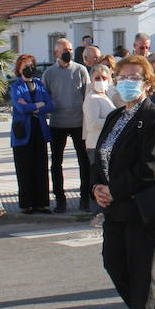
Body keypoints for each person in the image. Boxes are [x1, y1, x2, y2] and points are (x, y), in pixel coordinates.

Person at [91, 55, 155, 309]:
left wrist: (115, 189)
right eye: (122, 76)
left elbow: (152, 167)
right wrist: (97, 188)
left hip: (145, 207)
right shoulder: (115, 117)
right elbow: (100, 157)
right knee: (114, 263)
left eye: (134, 77)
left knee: (141, 270)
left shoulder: (154, 117)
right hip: (115, 206)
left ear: (148, 82)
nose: (127, 82)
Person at [44, 38, 91, 213]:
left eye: (70, 49)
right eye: (64, 49)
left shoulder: (81, 70)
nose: (68, 52)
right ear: (56, 52)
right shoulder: (49, 73)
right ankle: (60, 199)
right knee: (56, 162)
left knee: (83, 162)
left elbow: (87, 95)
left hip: (78, 122)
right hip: (57, 123)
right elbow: (45, 96)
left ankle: (85, 198)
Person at [8, 54, 53, 214]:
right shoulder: (16, 86)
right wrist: (38, 105)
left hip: (39, 130)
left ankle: (41, 203)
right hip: (22, 133)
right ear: (19, 68)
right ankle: (26, 204)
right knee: (24, 168)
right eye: (25, 65)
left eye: (31, 65)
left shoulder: (40, 84)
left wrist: (32, 105)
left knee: (40, 168)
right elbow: (21, 108)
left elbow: (50, 105)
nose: (29, 68)